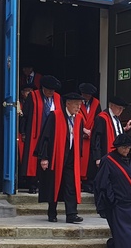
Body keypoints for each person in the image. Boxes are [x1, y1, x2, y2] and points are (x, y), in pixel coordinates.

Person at [34, 92, 85, 224]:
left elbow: (78, 140)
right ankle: (52, 212)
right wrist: (44, 157)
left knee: (71, 185)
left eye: (80, 105)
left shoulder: (79, 119)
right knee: (53, 185)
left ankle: (71, 214)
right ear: (68, 103)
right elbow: (45, 137)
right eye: (76, 104)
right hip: (56, 156)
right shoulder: (55, 116)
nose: (79, 107)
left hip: (71, 158)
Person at [19, 75, 62, 193]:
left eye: (52, 91)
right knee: (33, 158)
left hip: (52, 133)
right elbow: (25, 116)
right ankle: (32, 184)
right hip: (35, 132)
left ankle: (46, 184)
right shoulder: (33, 96)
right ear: (43, 88)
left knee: (49, 157)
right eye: (48, 90)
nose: (50, 93)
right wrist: (23, 131)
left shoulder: (58, 98)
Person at [91, 96, 131, 168]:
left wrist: (125, 129)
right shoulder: (102, 118)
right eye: (119, 108)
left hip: (118, 154)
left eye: (122, 109)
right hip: (105, 154)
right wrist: (97, 157)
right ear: (111, 106)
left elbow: (115, 131)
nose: (121, 111)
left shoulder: (117, 117)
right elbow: (96, 138)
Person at [78, 83, 101, 193]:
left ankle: (88, 183)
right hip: (79, 135)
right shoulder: (77, 102)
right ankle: (78, 181)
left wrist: (92, 131)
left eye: (89, 95)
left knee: (90, 161)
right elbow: (74, 116)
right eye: (85, 95)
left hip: (91, 136)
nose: (87, 97)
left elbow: (98, 119)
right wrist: (82, 129)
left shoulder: (96, 103)